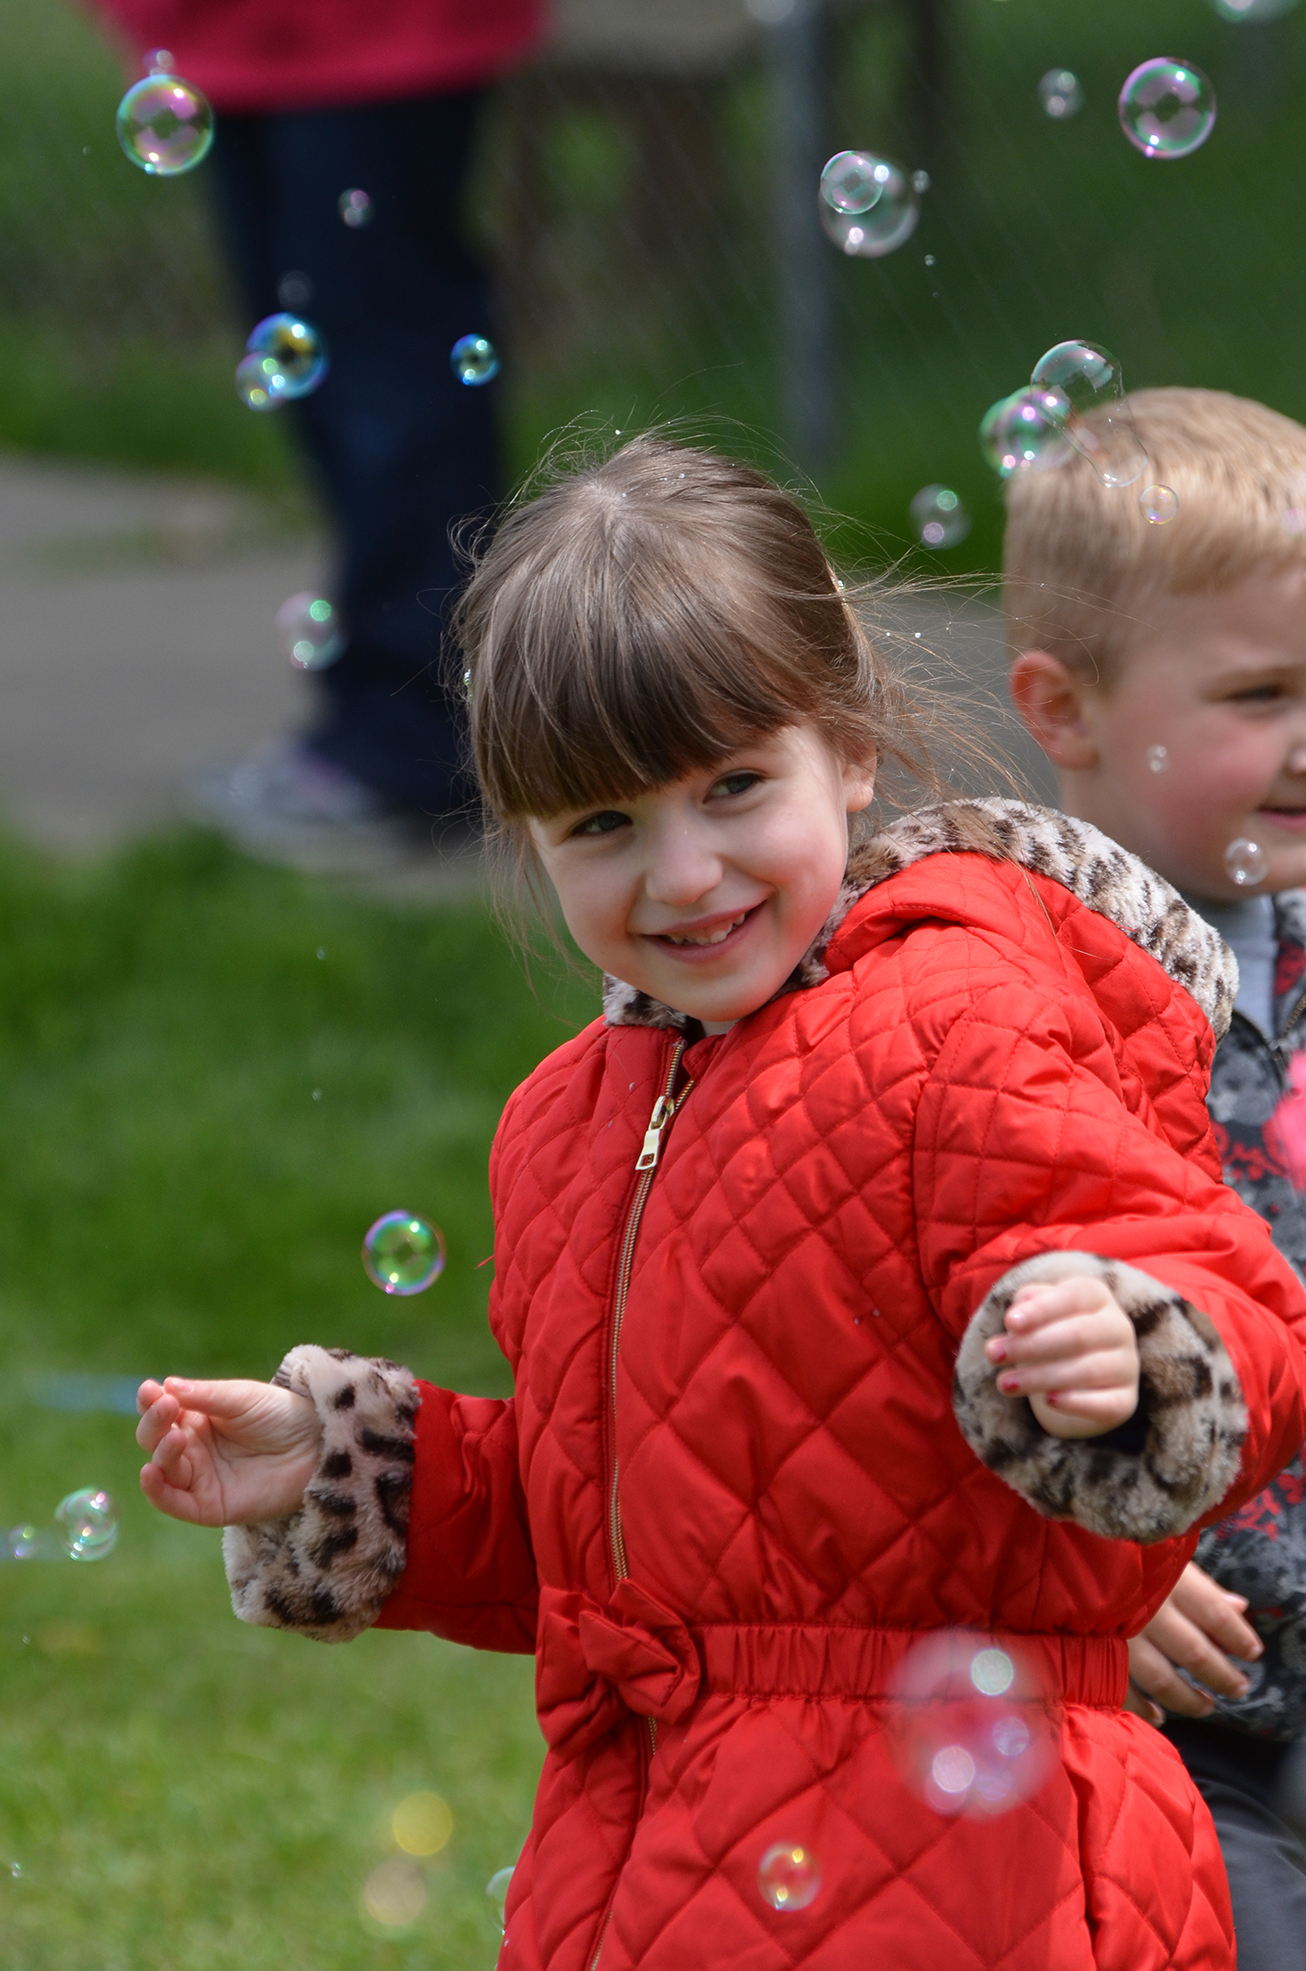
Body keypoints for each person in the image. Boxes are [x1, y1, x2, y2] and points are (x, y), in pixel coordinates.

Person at [135, 436, 1306, 1969]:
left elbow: (1224, 1283)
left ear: (851, 752)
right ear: (528, 837)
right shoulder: (565, 1123)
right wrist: (350, 1476)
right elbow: (617, 1528)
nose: (682, 874)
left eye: (732, 786)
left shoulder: (955, 1023)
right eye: (601, 826)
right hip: (652, 1878)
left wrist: (1128, 1344)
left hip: (969, 1888)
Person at [1006, 385, 1306, 1970]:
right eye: (1262, 693)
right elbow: (927, 1335)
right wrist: (1086, 1571)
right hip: (1156, 1692)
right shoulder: (993, 997)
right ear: (1062, 711)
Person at [91, 0, 543, 852]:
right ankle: (403, 713)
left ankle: (414, 739)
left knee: (389, 370)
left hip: (375, 34)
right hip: (232, 35)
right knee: (321, 364)